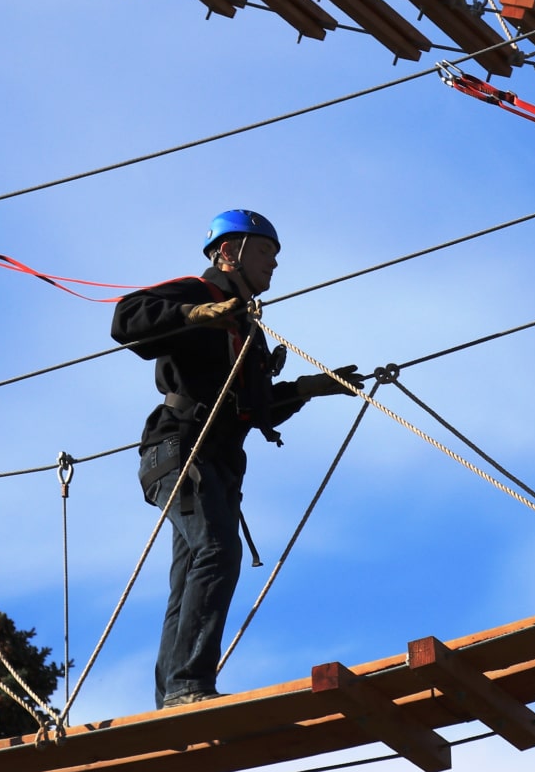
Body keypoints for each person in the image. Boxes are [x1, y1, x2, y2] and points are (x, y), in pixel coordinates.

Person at [111, 210, 363, 707]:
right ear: (229, 252)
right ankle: (187, 685)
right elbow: (126, 319)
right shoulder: (198, 293)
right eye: (266, 251)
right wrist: (190, 316)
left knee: (190, 574)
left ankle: (173, 694)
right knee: (216, 551)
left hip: (218, 458)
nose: (274, 264)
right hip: (179, 447)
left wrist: (309, 389)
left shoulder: (246, 326)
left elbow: (250, 408)